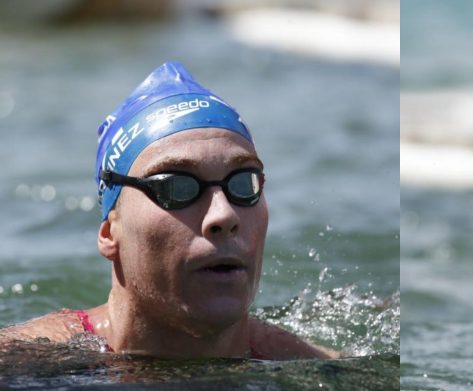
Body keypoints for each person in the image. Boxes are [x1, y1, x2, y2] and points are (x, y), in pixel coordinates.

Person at [0, 62, 337, 360]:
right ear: (109, 232)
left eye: (242, 183)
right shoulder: (29, 364)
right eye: (176, 186)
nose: (224, 215)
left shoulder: (315, 371)